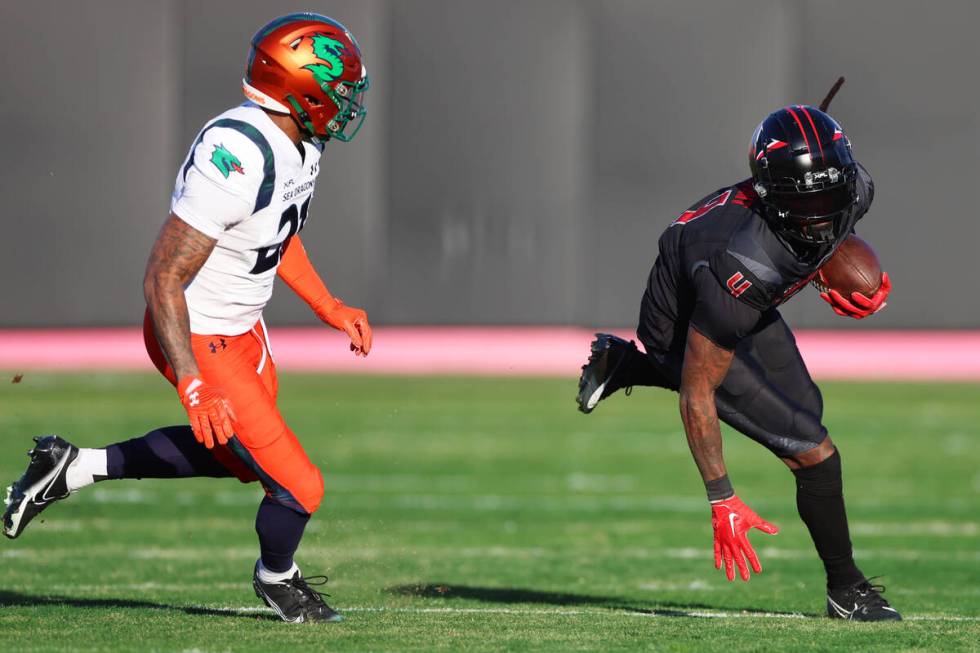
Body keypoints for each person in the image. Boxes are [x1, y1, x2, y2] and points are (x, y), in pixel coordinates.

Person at [2, 13, 372, 624]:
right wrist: (192, 378)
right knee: (300, 487)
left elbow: (274, 232)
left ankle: (73, 466)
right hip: (198, 333)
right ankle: (278, 579)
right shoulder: (240, 154)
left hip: (245, 329)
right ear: (298, 88)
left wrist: (328, 306)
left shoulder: (298, 140)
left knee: (237, 458)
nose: (344, 103)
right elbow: (162, 278)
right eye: (337, 90)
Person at [576, 105, 900, 621]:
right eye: (808, 202)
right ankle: (848, 589)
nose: (824, 215)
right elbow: (698, 393)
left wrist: (828, 268)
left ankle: (622, 366)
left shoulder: (852, 189)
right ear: (774, 199)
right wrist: (721, 496)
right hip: (683, 325)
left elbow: (825, 227)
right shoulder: (739, 264)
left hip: (747, 304)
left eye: (830, 197)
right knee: (814, 451)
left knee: (807, 410)